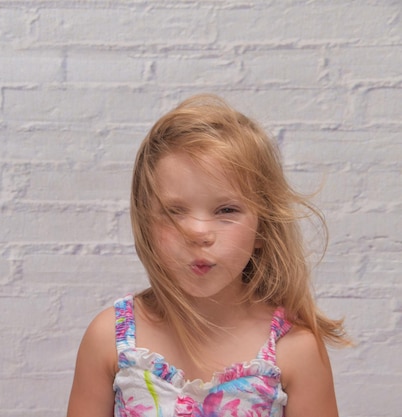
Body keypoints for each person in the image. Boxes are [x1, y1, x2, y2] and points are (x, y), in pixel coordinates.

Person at [66, 94, 350, 417]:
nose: (198, 233)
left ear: (262, 227)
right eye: (174, 212)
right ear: (146, 223)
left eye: (226, 210)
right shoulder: (109, 340)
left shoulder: (296, 352)